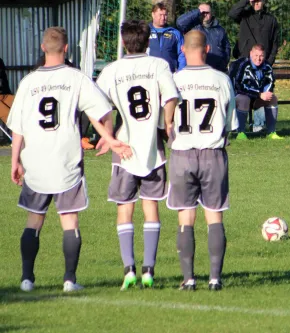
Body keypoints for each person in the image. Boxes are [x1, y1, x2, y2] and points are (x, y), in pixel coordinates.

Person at [6, 26, 131, 293]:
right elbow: (102, 110)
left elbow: (16, 127)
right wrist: (107, 138)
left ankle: (27, 280)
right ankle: (69, 280)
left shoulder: (28, 82)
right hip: (66, 159)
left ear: (43, 49)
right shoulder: (76, 78)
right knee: (69, 220)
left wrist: (14, 161)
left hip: (35, 160)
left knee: (34, 220)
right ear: (65, 49)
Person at [95, 20, 179, 289]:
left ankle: (129, 269)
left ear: (123, 42)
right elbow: (171, 97)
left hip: (124, 148)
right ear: (148, 42)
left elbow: (99, 107)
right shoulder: (158, 65)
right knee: (151, 206)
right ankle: (148, 271)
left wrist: (107, 137)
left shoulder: (111, 70)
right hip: (152, 148)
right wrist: (168, 124)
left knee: (125, 209)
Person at [166, 30, 237, 291]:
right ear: (206, 49)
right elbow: (230, 123)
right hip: (213, 153)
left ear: (183, 50)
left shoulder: (173, 80)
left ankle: (189, 279)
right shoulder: (222, 79)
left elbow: (168, 122)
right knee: (214, 217)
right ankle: (215, 279)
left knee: (186, 217)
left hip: (183, 153)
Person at [228, 0, 280, 132]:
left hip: (263, 65)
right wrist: (247, 0)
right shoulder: (244, 16)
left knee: (265, 95)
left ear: (264, 1)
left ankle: (259, 125)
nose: (257, 3)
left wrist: (269, 62)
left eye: (259, 0)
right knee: (244, 95)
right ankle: (239, 127)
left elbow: (275, 42)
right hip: (245, 63)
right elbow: (232, 14)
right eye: (254, 1)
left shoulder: (271, 20)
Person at [35, 54, 95, 150]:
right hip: (51, 100)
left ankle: (81, 137)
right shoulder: (42, 63)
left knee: (85, 105)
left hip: (64, 97)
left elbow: (75, 74)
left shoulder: (66, 63)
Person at [232, 44, 282, 140]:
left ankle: (271, 132)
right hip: (241, 98)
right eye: (256, 55)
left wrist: (266, 94)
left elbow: (270, 83)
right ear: (251, 54)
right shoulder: (243, 65)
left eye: (261, 56)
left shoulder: (267, 67)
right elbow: (239, 86)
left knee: (273, 98)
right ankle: (241, 132)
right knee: (244, 99)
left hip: (258, 99)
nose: (258, 59)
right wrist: (258, 94)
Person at [176, 3, 231, 73]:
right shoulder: (192, 27)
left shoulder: (220, 30)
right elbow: (180, 23)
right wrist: (197, 12)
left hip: (217, 70)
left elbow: (227, 48)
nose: (204, 15)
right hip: (195, 70)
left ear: (211, 13)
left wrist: (223, 64)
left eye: (207, 13)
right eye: (202, 13)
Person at [148, 2, 186, 73]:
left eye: (165, 15)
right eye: (160, 15)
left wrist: (181, 72)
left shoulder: (175, 33)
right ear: (153, 15)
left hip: (169, 75)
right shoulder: (145, 31)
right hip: (149, 76)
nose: (163, 18)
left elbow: (182, 54)